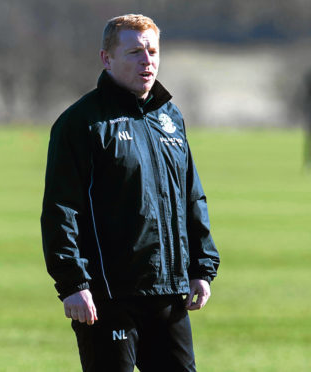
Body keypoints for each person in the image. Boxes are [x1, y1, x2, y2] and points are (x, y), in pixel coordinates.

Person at [40, 14, 220, 372]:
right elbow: (61, 209)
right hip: (108, 297)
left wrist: (202, 265)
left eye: (152, 51)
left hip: (168, 293)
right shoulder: (82, 123)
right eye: (135, 52)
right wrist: (72, 282)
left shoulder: (169, 117)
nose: (147, 60)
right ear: (107, 59)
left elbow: (191, 196)